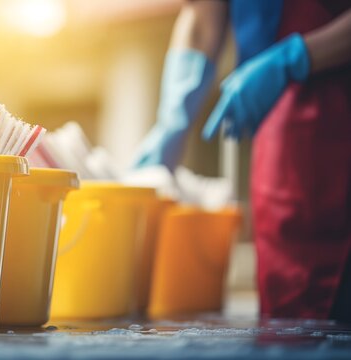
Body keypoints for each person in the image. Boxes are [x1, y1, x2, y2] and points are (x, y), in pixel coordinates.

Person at [133, 0, 351, 321]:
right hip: (282, 148)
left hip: (337, 109)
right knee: (289, 319)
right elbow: (202, 13)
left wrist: (296, 57)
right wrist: (172, 120)